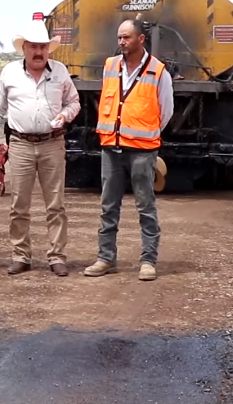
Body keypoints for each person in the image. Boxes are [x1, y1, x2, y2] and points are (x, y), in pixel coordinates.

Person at [0, 18, 79, 277]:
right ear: (24, 48)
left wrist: (65, 115)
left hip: (53, 143)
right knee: (19, 205)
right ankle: (21, 255)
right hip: (21, 145)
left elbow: (74, 102)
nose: (38, 52)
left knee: (56, 204)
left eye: (43, 47)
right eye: (33, 47)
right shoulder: (10, 72)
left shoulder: (59, 71)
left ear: (49, 49)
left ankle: (57, 256)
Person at [83, 19, 174, 282]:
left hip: (142, 151)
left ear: (141, 39)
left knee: (146, 206)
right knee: (108, 206)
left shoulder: (159, 72)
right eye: (119, 37)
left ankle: (148, 261)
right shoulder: (110, 66)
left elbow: (165, 112)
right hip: (111, 147)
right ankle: (105, 258)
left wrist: (142, 132)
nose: (121, 42)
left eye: (126, 37)